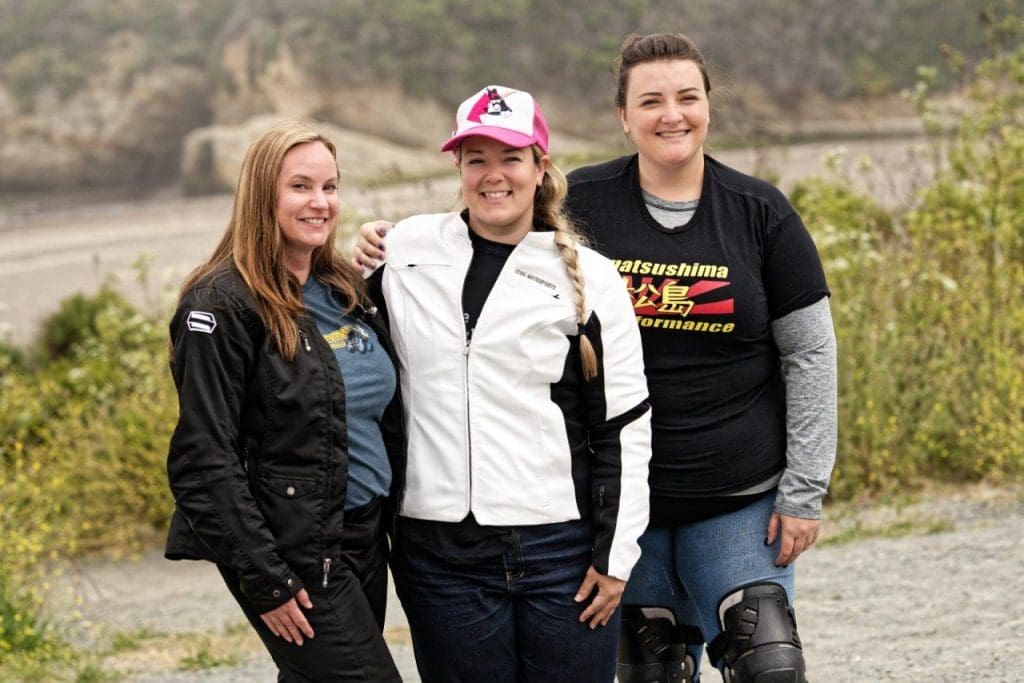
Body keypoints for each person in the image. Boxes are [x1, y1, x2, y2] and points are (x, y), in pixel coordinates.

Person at [355, 34, 837, 683]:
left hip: (729, 491)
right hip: (593, 504)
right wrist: (374, 245)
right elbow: (468, 244)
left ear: (709, 106)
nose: (672, 114)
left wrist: (804, 488)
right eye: (651, 100)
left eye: (687, 97)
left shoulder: (759, 213)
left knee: (767, 657)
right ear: (623, 115)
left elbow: (810, 351)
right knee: (652, 666)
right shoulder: (584, 202)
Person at [366, 85, 652, 683]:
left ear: (541, 166)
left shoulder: (592, 279)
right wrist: (360, 246)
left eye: (511, 158)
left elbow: (624, 425)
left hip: (559, 553)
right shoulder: (406, 251)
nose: (493, 176)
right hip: (437, 555)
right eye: (477, 159)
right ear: (458, 167)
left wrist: (616, 555)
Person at [164, 119, 404, 682]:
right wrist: (264, 577)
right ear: (262, 195)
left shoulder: (345, 288)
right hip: (294, 548)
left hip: (365, 535)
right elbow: (203, 457)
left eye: (330, 186)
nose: (320, 202)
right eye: (300, 186)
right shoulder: (220, 304)